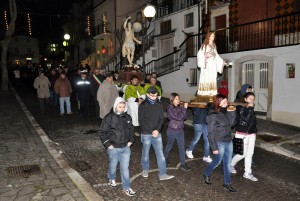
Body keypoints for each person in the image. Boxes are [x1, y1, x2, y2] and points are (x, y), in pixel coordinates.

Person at [99, 97, 136, 196]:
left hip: (125, 148)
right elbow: (102, 132)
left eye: (123, 107)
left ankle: (126, 188)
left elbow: (131, 130)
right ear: (115, 106)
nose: (122, 109)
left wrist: (131, 141)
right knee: (113, 165)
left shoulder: (127, 117)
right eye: (120, 107)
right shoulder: (109, 117)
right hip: (114, 148)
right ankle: (111, 178)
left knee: (125, 168)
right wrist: (108, 144)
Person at [138, 86, 174, 181]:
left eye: (156, 95)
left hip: (157, 133)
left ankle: (162, 174)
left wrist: (157, 130)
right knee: (145, 153)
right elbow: (141, 121)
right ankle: (145, 169)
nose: (154, 97)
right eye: (152, 95)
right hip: (146, 133)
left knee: (160, 154)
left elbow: (161, 119)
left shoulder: (159, 105)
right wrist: (151, 131)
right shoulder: (142, 106)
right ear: (147, 94)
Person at [203, 94, 237, 192]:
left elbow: (232, 125)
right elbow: (210, 133)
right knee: (216, 162)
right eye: (224, 102)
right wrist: (214, 148)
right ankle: (206, 173)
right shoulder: (212, 116)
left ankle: (227, 183)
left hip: (228, 141)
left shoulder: (225, 112)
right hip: (219, 142)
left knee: (227, 163)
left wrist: (232, 113)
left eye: (227, 101)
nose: (226, 104)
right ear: (218, 103)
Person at [230, 92, 258, 181]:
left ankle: (247, 172)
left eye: (253, 99)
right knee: (242, 154)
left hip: (251, 134)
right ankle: (230, 164)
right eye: (250, 98)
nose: (252, 101)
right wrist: (250, 108)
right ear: (245, 99)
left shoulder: (251, 109)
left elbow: (252, 122)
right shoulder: (240, 108)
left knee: (250, 154)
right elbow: (245, 120)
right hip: (242, 134)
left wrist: (254, 131)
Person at [163, 93, 191, 171]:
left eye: (178, 99)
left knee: (182, 147)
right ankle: (164, 158)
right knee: (169, 145)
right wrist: (184, 109)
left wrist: (184, 109)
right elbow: (178, 118)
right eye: (176, 99)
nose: (178, 100)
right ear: (172, 100)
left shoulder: (179, 108)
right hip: (172, 130)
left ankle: (183, 164)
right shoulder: (169, 108)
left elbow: (185, 117)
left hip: (180, 130)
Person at [197, 32, 224, 96]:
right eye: (211, 36)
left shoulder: (214, 45)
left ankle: (212, 92)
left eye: (213, 36)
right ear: (208, 37)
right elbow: (199, 54)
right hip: (207, 64)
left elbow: (217, 55)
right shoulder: (204, 45)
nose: (212, 37)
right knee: (207, 77)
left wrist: (222, 61)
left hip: (213, 64)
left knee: (213, 77)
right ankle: (205, 92)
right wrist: (206, 56)